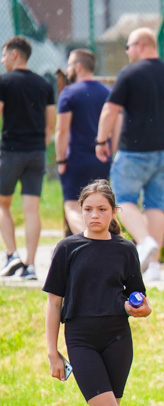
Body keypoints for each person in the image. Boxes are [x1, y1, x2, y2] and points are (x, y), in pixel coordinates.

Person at [44, 180, 151, 406]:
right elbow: (53, 304)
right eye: (88, 209)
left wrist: (140, 308)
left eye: (102, 209)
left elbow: (142, 302)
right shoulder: (67, 249)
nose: (94, 215)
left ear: (114, 212)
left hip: (118, 338)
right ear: (80, 210)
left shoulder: (125, 249)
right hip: (80, 339)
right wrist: (52, 350)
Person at [95, 27, 164, 282]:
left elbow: (109, 111)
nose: (127, 52)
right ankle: (154, 267)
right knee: (156, 205)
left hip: (134, 151)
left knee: (122, 200)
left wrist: (101, 140)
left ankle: (145, 243)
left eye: (128, 47)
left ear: (140, 46)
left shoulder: (129, 74)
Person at [0, 36, 56, 281]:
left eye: (3, 55)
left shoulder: (4, 82)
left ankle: (12, 255)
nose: (2, 61)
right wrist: (39, 147)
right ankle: (30, 266)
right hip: (36, 152)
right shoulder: (44, 84)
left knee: (2, 204)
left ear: (14, 55)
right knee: (32, 210)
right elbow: (50, 124)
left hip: (11, 150)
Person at [55, 49, 114, 235]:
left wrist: (61, 160)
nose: (67, 69)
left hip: (76, 160)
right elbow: (116, 126)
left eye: (70, 64)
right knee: (102, 206)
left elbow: (62, 130)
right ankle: (107, 245)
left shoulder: (69, 93)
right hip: (103, 159)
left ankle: (88, 245)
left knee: (73, 206)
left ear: (78, 67)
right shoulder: (107, 92)